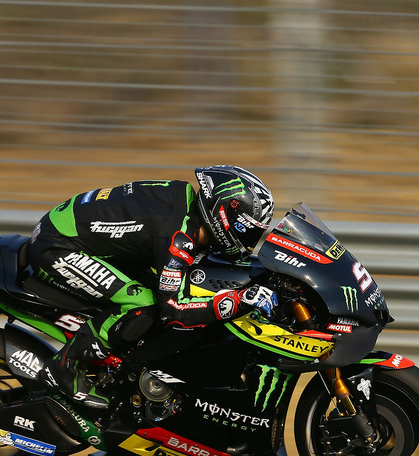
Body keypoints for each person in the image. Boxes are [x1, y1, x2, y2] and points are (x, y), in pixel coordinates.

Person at [27, 165, 277, 409]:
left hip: (75, 233)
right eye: (249, 231)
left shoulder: (187, 204)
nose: (249, 242)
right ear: (226, 216)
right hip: (58, 246)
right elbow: (174, 310)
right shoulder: (177, 234)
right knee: (143, 304)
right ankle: (63, 368)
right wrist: (239, 301)